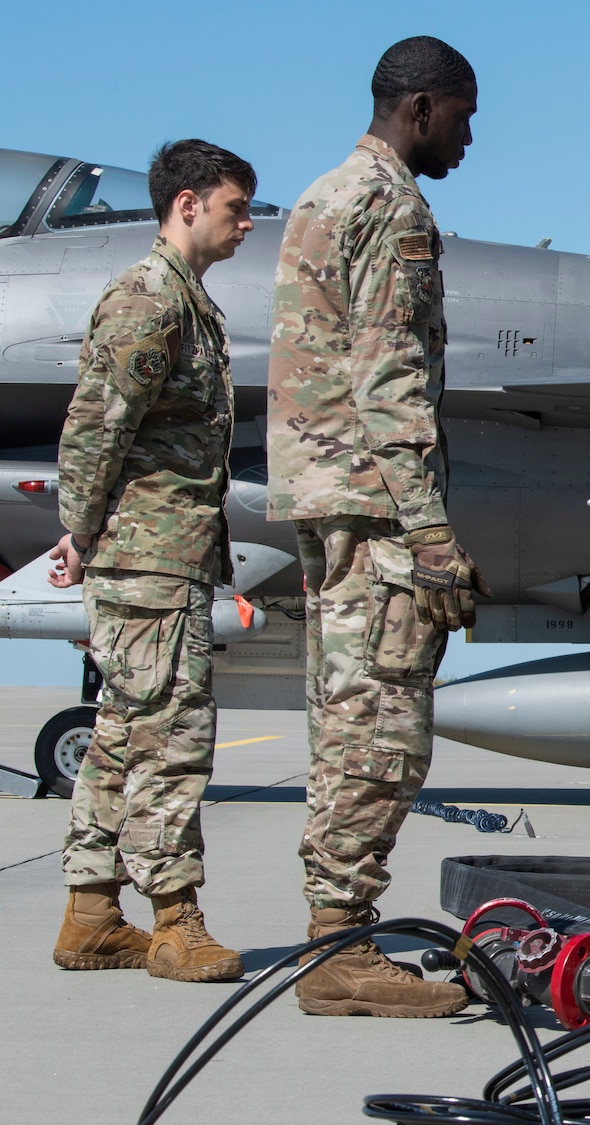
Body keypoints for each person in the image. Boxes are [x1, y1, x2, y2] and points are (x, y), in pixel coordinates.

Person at [267, 36, 483, 1018]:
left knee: (348, 726)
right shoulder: (392, 207)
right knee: (384, 735)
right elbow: (390, 380)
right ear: (423, 108)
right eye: (465, 116)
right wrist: (433, 539)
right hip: (378, 503)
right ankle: (340, 952)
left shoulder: (321, 196)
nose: (471, 138)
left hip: (328, 498)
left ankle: (336, 937)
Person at [47, 140, 257, 984]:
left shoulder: (186, 301)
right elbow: (95, 427)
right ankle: (176, 921)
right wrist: (83, 528)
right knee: (172, 738)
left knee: (123, 734)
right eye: (235, 207)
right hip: (151, 562)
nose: (245, 222)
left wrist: (88, 530)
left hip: (157, 553)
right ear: (187, 205)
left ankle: (91, 913)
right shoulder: (149, 300)